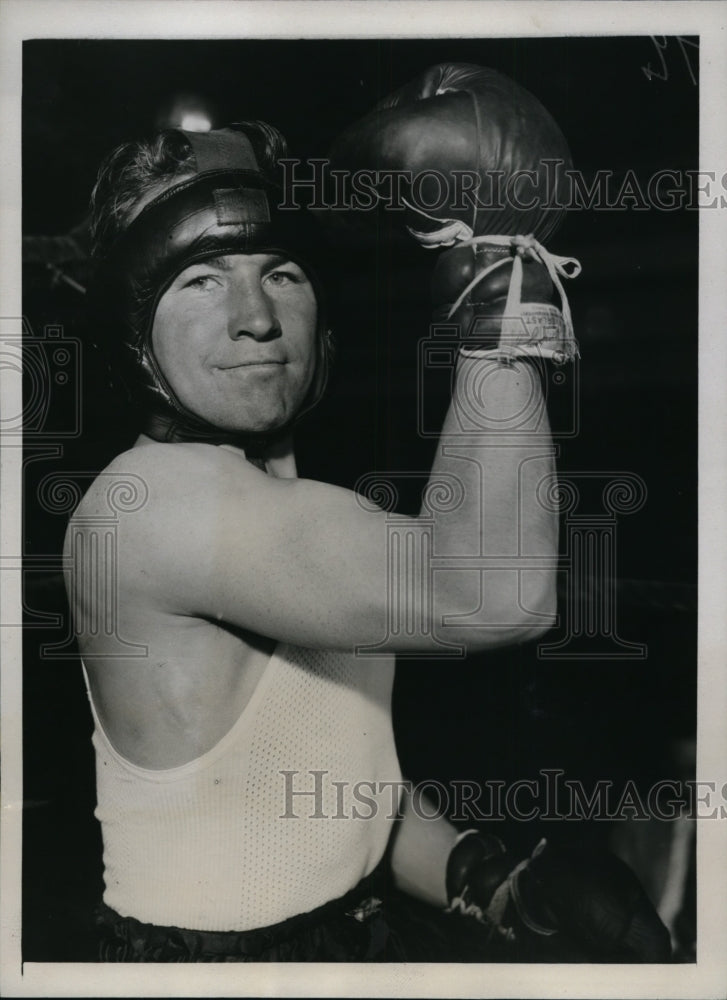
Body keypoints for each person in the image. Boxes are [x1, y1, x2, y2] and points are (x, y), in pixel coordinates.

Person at [64, 64, 671, 963]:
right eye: (200, 281)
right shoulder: (151, 506)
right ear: (132, 330)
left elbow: (322, 776)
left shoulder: (298, 505)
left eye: (281, 273)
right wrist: (499, 271)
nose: (256, 317)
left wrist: (481, 874)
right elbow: (493, 593)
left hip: (341, 937)